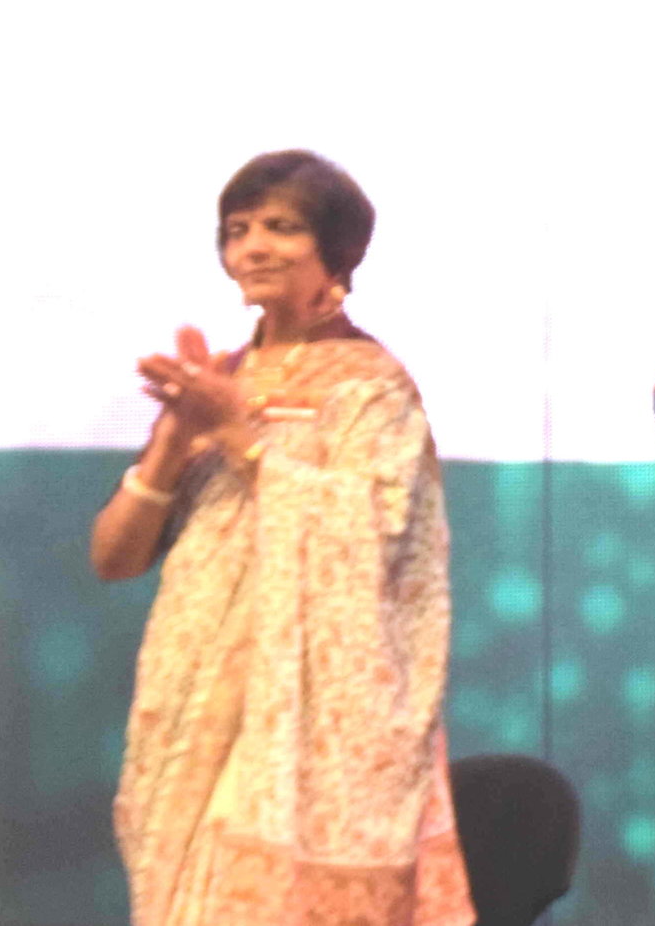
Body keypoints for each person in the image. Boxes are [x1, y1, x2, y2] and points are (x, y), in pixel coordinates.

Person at [91, 150, 472, 926]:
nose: (254, 245)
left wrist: (238, 432)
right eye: (238, 229)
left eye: (282, 226)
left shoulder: (371, 385)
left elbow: (378, 539)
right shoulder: (220, 377)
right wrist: (174, 438)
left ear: (336, 249)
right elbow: (114, 556)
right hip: (195, 702)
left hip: (307, 725)